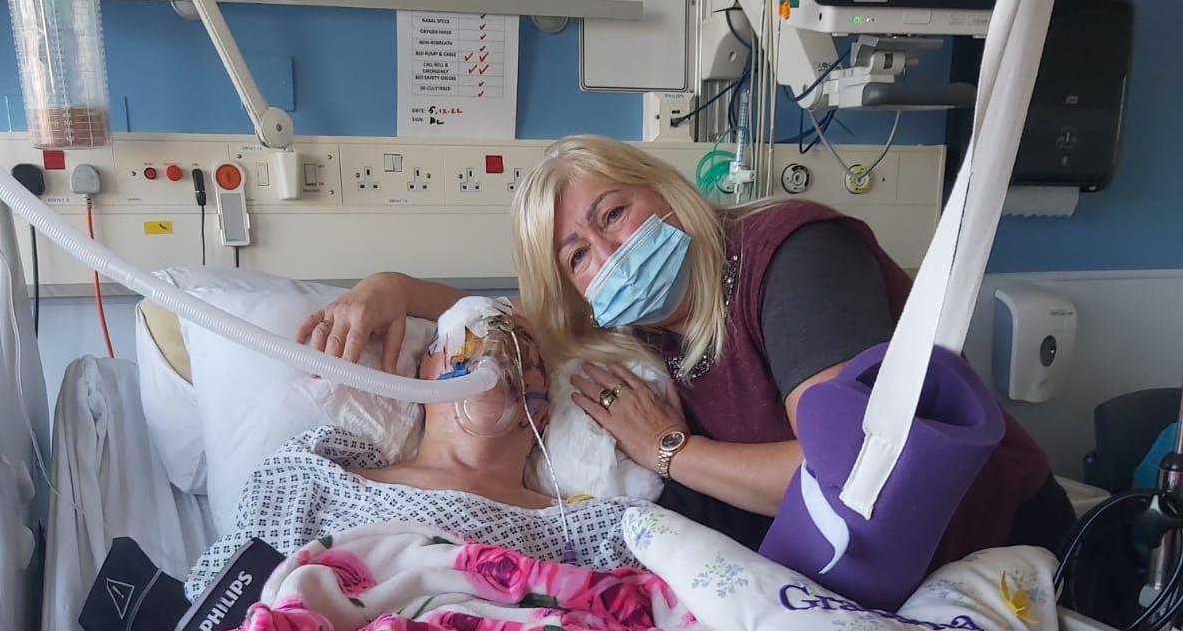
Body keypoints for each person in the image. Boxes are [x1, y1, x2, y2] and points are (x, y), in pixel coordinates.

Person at [296, 134, 1073, 564]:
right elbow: (514, 330)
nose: (608, 254)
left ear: (665, 192)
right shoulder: (637, 331)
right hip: (854, 574)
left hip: (984, 540)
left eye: (615, 214)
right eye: (577, 255)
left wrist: (669, 449)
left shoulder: (794, 257)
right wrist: (392, 287)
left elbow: (851, 474)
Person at [187, 311, 634, 601]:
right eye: (467, 339)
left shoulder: (590, 528)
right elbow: (224, 611)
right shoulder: (318, 477)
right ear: (422, 372)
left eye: (525, 356)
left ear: (543, 405)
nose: (497, 354)